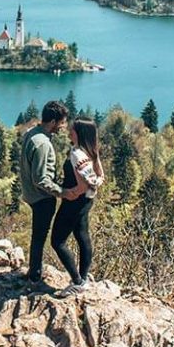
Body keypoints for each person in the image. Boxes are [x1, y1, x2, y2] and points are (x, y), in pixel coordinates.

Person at [19, 100, 78, 287]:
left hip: (30, 194)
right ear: (52, 122)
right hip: (42, 198)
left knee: (37, 234)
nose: (63, 127)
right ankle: (35, 275)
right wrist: (63, 192)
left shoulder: (31, 133)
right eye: (61, 123)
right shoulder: (42, 144)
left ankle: (33, 270)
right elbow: (41, 179)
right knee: (40, 235)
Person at [51, 118, 105, 297]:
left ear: (79, 134)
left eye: (72, 130)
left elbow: (83, 185)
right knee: (82, 236)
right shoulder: (91, 151)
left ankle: (78, 282)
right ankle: (83, 277)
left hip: (75, 202)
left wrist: (67, 192)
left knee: (57, 241)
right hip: (86, 201)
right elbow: (98, 176)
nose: (68, 132)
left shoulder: (77, 155)